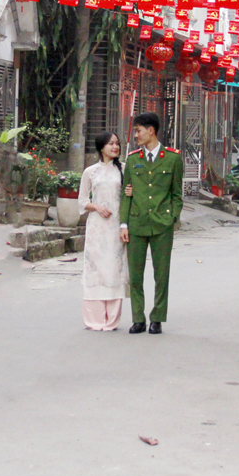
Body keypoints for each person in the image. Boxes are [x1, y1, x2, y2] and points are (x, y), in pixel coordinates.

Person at [120, 112, 183, 334]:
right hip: (136, 223)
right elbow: (125, 194)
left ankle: (157, 317)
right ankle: (138, 318)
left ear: (151, 131)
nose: (136, 135)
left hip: (161, 225)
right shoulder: (133, 159)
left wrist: (172, 218)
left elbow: (177, 194)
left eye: (138, 130)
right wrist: (123, 224)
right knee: (135, 275)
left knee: (161, 274)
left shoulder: (173, 158)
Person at [77, 132, 129, 331]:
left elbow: (128, 197)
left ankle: (112, 320)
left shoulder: (124, 170)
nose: (115, 147)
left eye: (117, 143)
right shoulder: (90, 172)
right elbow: (82, 201)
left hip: (117, 226)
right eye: (111, 144)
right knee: (95, 268)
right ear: (101, 148)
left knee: (115, 268)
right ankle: (94, 319)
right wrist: (97, 207)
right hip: (97, 228)